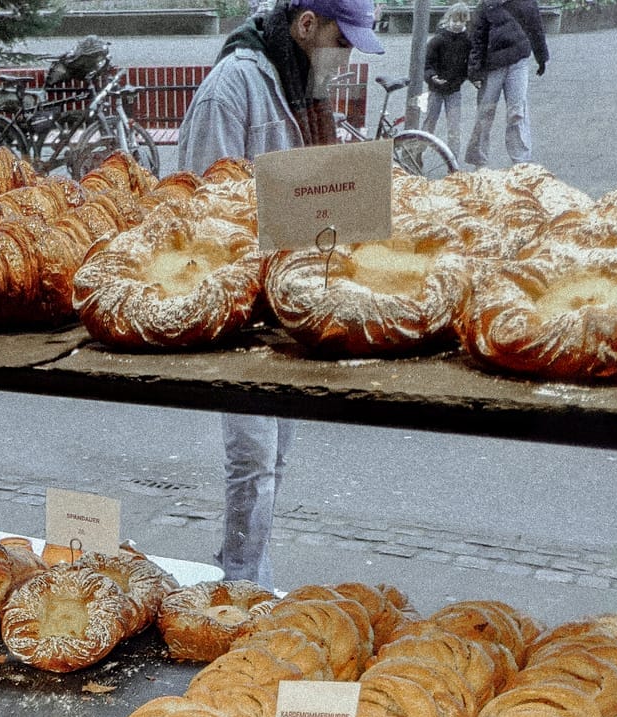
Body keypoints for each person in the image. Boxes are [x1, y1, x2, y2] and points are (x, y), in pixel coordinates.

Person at [175, 0, 383, 586]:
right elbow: (200, 206)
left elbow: (320, 190)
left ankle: (249, 572)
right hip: (239, 308)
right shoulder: (234, 87)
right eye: (342, 43)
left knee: (274, 458)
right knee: (253, 458)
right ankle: (242, 585)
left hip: (290, 306)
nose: (346, 61)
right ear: (306, 25)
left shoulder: (307, 92)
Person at [465, 0, 547, 167]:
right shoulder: (485, 6)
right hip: (491, 65)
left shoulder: (526, 3)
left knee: (517, 112)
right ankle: (479, 162)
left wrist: (542, 57)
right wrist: (475, 71)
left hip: (518, 61)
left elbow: (536, 28)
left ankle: (521, 162)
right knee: (485, 113)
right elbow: (477, 39)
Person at [422, 5, 469, 148]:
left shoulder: (467, 40)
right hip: (436, 89)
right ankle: (418, 154)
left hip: (454, 89)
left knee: (454, 127)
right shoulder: (437, 40)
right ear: (448, 19)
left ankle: (453, 161)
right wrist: (431, 77)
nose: (457, 24)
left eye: (461, 21)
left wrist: (465, 77)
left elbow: (471, 62)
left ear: (466, 21)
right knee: (429, 123)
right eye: (454, 21)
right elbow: (427, 63)